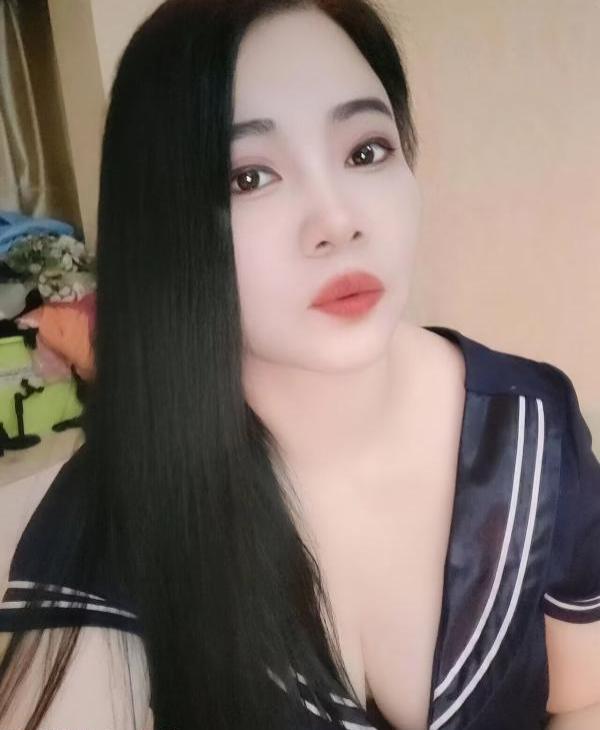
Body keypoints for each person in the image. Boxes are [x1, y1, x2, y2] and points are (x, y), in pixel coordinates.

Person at [0, 1, 599, 729]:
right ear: (165, 226)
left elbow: (584, 699)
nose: (337, 222)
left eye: (366, 151)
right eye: (249, 177)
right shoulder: (114, 510)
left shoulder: (532, 424)